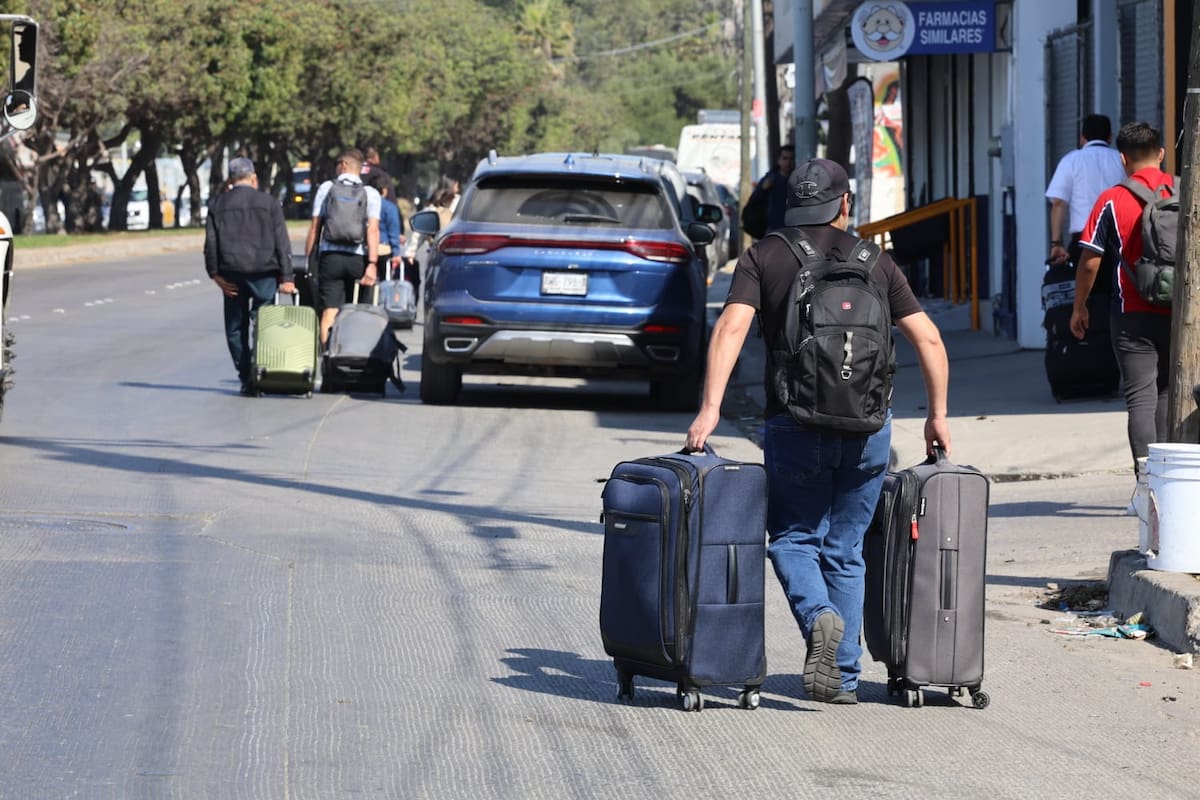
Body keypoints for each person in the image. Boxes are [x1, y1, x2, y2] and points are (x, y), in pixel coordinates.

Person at [685, 158, 951, 705]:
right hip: (869, 427)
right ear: (844, 204)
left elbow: (732, 325)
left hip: (794, 422)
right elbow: (928, 340)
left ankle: (819, 616)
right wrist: (937, 414)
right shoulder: (876, 262)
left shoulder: (765, 254)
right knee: (846, 548)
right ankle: (845, 678)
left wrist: (710, 407)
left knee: (792, 538)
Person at [1070, 121, 1173, 480]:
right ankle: (1172, 480)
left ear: (1122, 159)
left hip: (1132, 313)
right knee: (1168, 393)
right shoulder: (1185, 190)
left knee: (1141, 398)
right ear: (1161, 154)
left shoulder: (1111, 199)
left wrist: (1079, 305)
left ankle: (1147, 485)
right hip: (1181, 315)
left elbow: (1091, 261)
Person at [203, 156, 295, 395]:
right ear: (254, 178)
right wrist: (287, 277)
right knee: (263, 323)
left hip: (231, 273)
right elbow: (282, 242)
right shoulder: (269, 202)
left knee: (235, 327)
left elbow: (211, 243)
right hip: (264, 272)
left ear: (231, 179)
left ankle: (245, 376)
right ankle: (259, 367)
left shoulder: (217, 204)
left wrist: (215, 274)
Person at [304, 148, 381, 346]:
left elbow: (315, 228)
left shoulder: (327, 188)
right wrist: (372, 263)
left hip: (330, 257)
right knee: (357, 310)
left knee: (330, 309)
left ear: (344, 165)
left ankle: (328, 357)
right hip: (358, 259)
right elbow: (372, 231)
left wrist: (308, 258)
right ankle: (354, 353)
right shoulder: (370, 193)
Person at [1045, 114, 1125, 278]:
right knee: (1116, 296)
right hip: (1118, 240)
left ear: (1082, 138)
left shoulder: (1071, 160)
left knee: (1084, 297)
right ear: (1110, 137)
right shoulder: (1122, 160)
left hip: (1085, 241)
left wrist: (1056, 243)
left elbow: (1058, 203)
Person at [744, 144, 795, 235]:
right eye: (785, 158)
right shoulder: (770, 179)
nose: (788, 162)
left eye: (791, 158)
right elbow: (754, 200)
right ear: (779, 160)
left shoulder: (798, 179)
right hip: (772, 228)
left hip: (793, 228)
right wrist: (763, 189)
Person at [365, 169, 404, 281]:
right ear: (384, 190)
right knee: (384, 280)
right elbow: (393, 231)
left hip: (366, 247)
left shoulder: (365, 204)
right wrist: (396, 253)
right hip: (383, 248)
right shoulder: (390, 207)